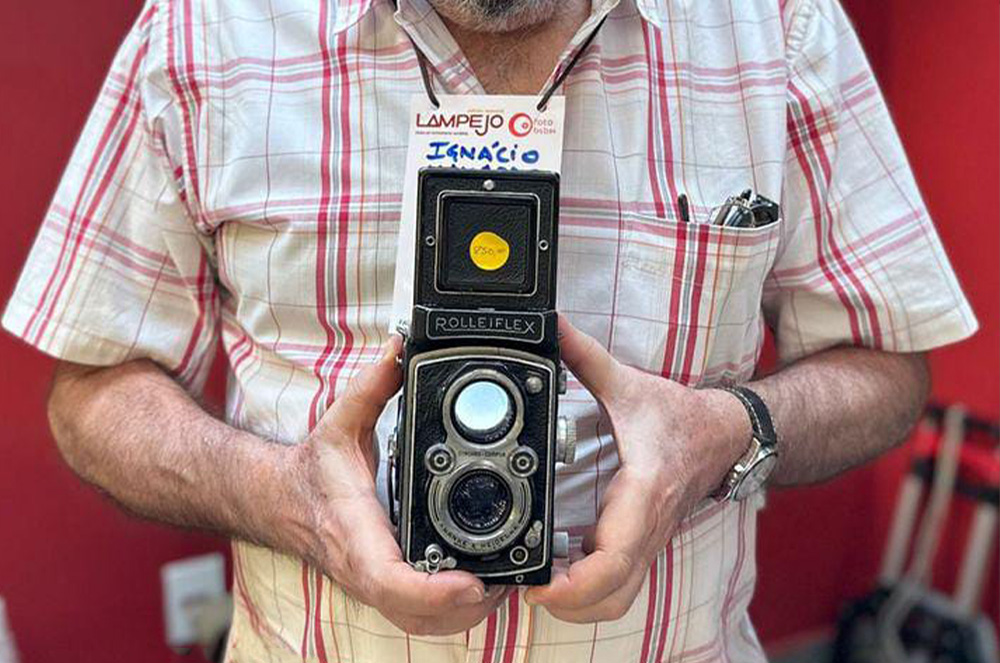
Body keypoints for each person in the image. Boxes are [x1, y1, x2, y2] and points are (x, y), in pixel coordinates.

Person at [4, 0, 977, 660]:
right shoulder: (203, 30)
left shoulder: (776, 24)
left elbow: (883, 359)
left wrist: (723, 436)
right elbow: (95, 387)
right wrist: (278, 495)